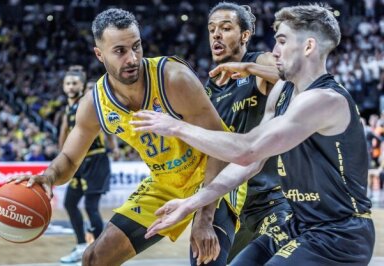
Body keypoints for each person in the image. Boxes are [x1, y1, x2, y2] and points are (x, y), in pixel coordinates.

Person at [132, 4, 375, 265]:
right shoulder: (281, 89)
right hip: (298, 225)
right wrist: (192, 203)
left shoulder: (324, 100)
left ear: (308, 47)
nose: (275, 51)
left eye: (282, 42)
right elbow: (249, 162)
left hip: (340, 233)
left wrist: (176, 126)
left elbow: (247, 148)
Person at [9, 8, 246, 266]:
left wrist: (204, 216)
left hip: (215, 177)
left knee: (206, 260)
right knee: (94, 258)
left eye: (137, 46)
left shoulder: (174, 78)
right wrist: (49, 177)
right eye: (120, 51)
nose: (132, 58)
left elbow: (220, 146)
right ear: (99, 55)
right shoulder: (94, 103)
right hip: (166, 183)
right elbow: (69, 157)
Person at [205, 2, 292, 263]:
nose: (216, 35)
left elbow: (291, 77)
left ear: (244, 35)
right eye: (211, 30)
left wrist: (248, 69)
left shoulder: (258, 61)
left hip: (271, 200)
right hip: (229, 205)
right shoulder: (208, 89)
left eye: (225, 28)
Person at [58, 66, 112, 263]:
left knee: (91, 207)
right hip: (79, 161)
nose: (71, 86)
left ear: (82, 86)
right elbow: (64, 132)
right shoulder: (68, 107)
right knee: (70, 203)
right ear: (63, 87)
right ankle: (81, 246)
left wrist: (112, 144)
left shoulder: (88, 102)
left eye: (74, 83)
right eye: (68, 83)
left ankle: (100, 251)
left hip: (96, 159)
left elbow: (104, 127)